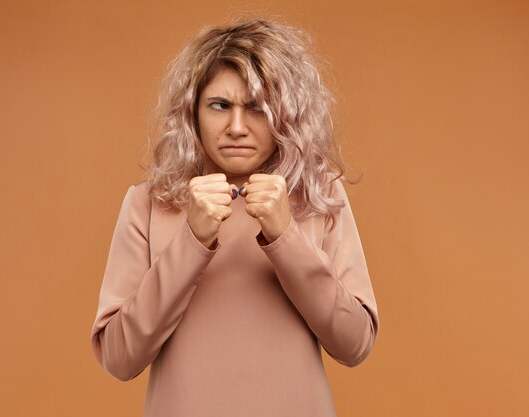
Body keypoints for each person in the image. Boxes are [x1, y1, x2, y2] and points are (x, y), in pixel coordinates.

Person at [91, 18, 379, 417]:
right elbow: (119, 358)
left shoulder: (320, 194)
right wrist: (191, 240)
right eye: (220, 106)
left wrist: (285, 237)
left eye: (257, 108)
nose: (237, 128)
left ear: (285, 114)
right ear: (193, 113)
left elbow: (355, 345)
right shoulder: (149, 203)